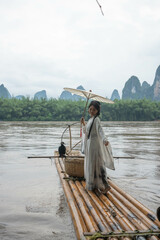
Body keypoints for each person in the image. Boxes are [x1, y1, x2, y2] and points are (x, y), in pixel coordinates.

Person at [81, 100, 115, 193]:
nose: (91, 111)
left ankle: (105, 185)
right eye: (90, 109)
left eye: (94, 110)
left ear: (97, 111)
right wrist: (84, 123)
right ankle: (94, 185)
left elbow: (100, 130)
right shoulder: (90, 120)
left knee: (99, 164)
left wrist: (105, 139)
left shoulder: (96, 120)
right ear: (88, 109)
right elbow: (86, 133)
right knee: (92, 164)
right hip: (90, 145)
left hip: (95, 145)